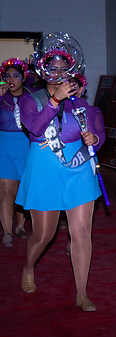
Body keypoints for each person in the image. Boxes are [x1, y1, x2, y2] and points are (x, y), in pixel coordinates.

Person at [16, 47, 105, 312]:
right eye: (52, 69)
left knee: (81, 233)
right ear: (44, 72)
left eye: (63, 69)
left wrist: (94, 139)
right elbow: (35, 129)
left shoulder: (82, 104)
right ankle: (28, 267)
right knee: (44, 235)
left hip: (78, 169)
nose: (58, 73)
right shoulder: (31, 100)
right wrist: (55, 100)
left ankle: (82, 293)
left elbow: (97, 134)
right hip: (45, 168)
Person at [0, 58, 32, 247]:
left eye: (15, 75)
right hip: (4, 147)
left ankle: (20, 226)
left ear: (23, 77)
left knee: (22, 190)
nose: (11, 79)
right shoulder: (1, 96)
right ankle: (7, 231)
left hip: (27, 147)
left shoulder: (32, 96)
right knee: (5, 191)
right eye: (7, 76)